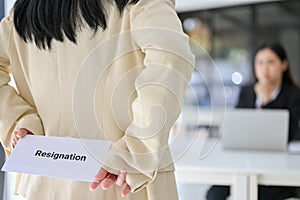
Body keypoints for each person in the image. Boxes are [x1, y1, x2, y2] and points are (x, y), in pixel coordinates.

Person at [0, 0, 194, 200]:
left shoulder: (26, 12)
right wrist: (136, 150)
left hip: (46, 180)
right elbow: (172, 59)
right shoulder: (138, 3)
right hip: (120, 180)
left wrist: (20, 123)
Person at [206, 43, 300, 200]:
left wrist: (268, 100)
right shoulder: (247, 91)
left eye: (271, 62)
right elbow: (238, 125)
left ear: (283, 65)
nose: (264, 68)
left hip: (278, 164)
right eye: (260, 62)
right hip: (245, 160)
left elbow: (288, 134)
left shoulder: (294, 95)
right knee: (214, 194)